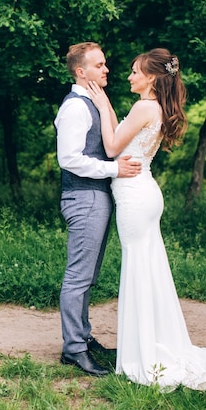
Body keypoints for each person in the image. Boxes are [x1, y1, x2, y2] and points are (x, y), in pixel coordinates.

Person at [86, 48, 206, 391]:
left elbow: (111, 149)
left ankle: (143, 354)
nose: (129, 76)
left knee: (140, 270)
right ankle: (152, 343)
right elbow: (121, 139)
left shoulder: (144, 107)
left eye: (135, 71)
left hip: (134, 197)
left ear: (151, 77)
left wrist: (100, 104)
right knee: (150, 269)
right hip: (144, 193)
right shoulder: (151, 107)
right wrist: (106, 103)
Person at [55, 42, 142, 376]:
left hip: (97, 198)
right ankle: (74, 350)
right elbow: (70, 159)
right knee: (78, 277)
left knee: (88, 276)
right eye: (100, 65)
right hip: (84, 199)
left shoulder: (93, 102)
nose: (107, 70)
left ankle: (83, 337)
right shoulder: (75, 107)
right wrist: (115, 170)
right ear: (82, 71)